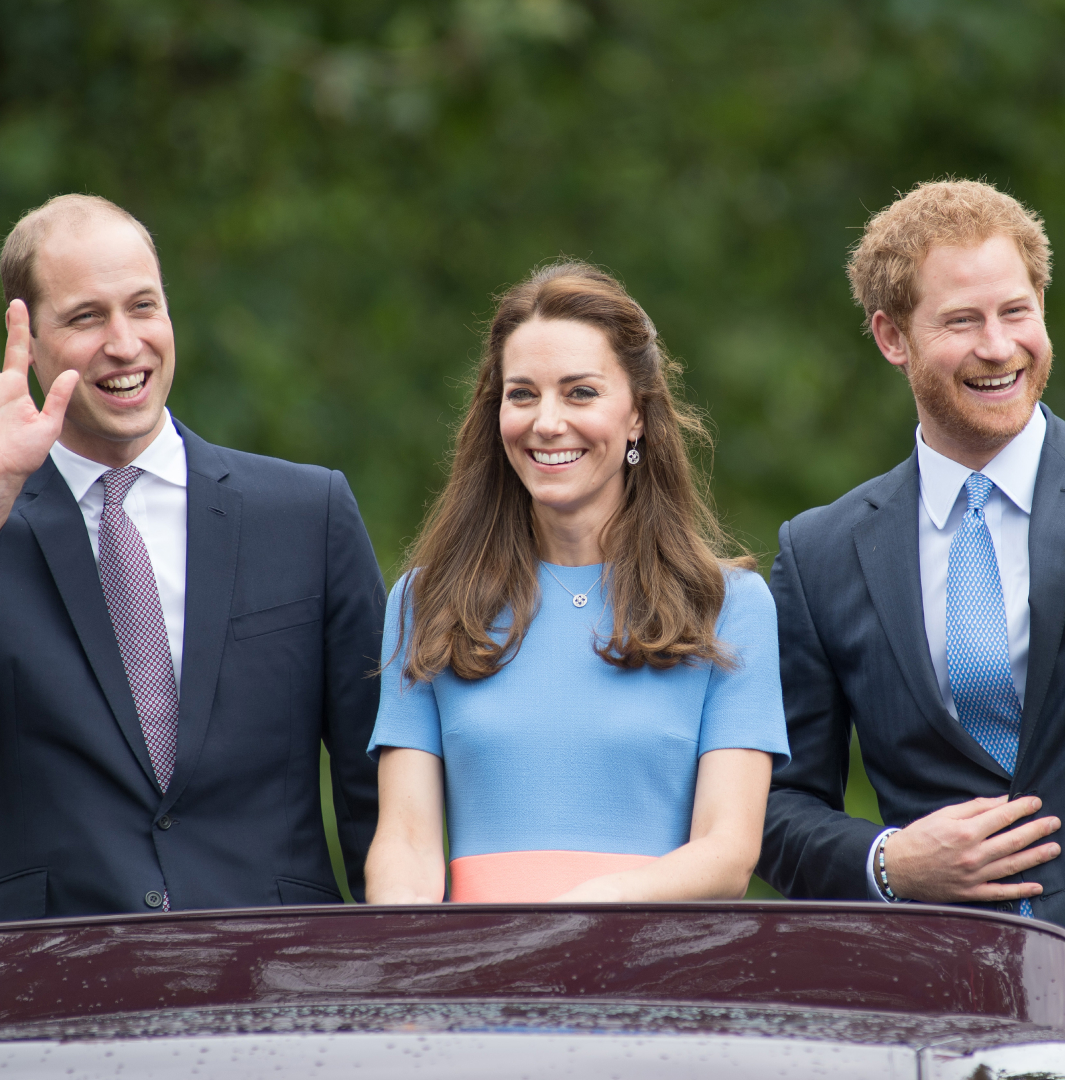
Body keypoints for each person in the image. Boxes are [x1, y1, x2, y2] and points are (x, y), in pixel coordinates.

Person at [0, 194, 384, 920]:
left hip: (278, 980)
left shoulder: (309, 514)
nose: (125, 342)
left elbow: (376, 795)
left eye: (143, 306)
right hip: (42, 986)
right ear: (29, 342)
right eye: (85, 317)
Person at [364, 261, 789, 904]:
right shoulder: (427, 601)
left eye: (580, 392)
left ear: (638, 416)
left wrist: (575, 921)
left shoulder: (729, 607)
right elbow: (406, 843)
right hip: (473, 984)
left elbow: (727, 854)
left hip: (650, 982)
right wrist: (414, 970)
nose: (547, 422)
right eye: (523, 393)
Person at [757, 179, 1065, 925]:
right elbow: (773, 808)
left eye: (1015, 312)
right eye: (961, 320)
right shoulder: (818, 553)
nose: (998, 347)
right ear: (892, 337)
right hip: (933, 987)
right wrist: (889, 863)